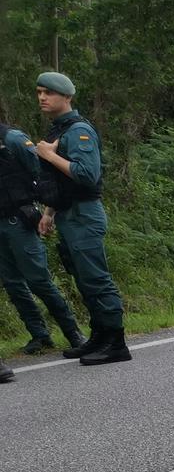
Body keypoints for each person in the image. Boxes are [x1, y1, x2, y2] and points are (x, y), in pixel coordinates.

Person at [33, 72, 129, 365]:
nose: (42, 98)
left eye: (48, 93)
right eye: (39, 92)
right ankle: (99, 336)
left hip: (84, 215)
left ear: (66, 97)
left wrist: (49, 156)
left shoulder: (78, 131)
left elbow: (87, 176)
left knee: (96, 279)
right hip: (68, 214)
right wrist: (49, 212)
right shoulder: (59, 130)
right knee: (84, 280)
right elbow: (62, 182)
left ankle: (116, 342)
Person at [0, 119, 86, 355]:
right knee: (12, 284)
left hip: (18, 220)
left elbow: (42, 171)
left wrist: (48, 209)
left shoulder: (12, 139)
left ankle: (73, 333)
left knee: (38, 280)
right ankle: (39, 335)